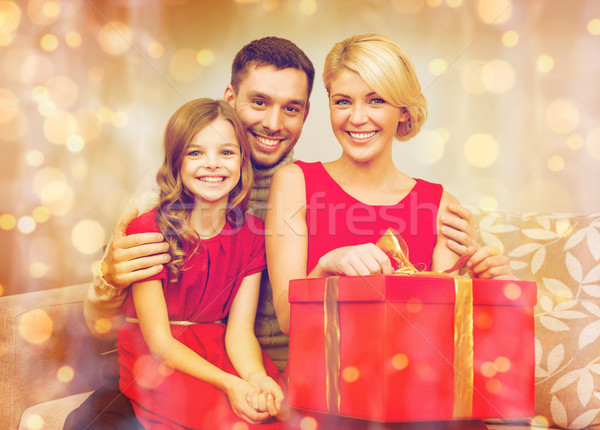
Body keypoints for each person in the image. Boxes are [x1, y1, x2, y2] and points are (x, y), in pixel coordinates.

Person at [65, 36, 482, 429]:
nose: (272, 123)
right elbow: (101, 325)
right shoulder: (162, 202)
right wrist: (108, 278)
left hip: (263, 369)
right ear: (230, 100)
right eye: (259, 102)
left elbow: (452, 320)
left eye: (291, 108)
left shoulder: (294, 185)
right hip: (176, 364)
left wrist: (482, 264)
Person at [265, 33, 513, 337]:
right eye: (342, 101)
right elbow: (289, 322)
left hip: (412, 380)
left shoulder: (440, 205)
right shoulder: (294, 182)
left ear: (404, 111)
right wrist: (326, 267)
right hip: (324, 379)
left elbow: (440, 333)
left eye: (376, 101)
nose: (357, 117)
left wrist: (493, 290)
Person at [117, 98, 284, 429]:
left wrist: (254, 377)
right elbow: (160, 341)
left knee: (267, 411)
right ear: (176, 162)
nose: (212, 164)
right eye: (196, 153)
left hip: (219, 348)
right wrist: (230, 384)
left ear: (242, 160)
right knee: (221, 419)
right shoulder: (149, 229)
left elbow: (239, 332)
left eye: (226, 152)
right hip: (160, 358)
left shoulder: (252, 234)